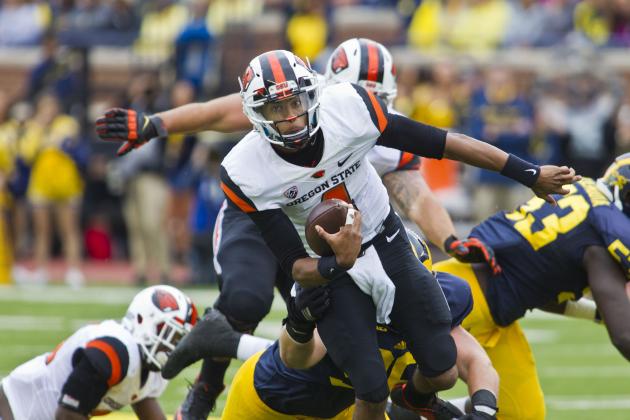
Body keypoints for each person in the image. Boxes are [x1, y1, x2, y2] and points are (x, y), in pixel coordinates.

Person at [99, 49, 576, 419]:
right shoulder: (247, 167)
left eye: (295, 102)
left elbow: (441, 150)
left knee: (439, 363)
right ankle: (212, 374)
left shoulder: (354, 109)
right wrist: (337, 263)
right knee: (338, 363)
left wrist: (526, 175)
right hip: (317, 254)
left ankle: (410, 401)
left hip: (382, 238)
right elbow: (294, 264)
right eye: (275, 107)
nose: (289, 116)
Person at [219, 231, 499, 420]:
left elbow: (475, 362)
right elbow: (296, 359)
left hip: (343, 408)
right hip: (269, 401)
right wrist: (300, 322)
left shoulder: (439, 296)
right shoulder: (342, 297)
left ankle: (413, 400)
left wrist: (484, 413)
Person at [433, 153, 630, 419]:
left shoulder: (583, 201)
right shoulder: (597, 239)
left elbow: (538, 283)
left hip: (494, 313)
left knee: (521, 414)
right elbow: (625, 337)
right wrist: (609, 313)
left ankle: (421, 413)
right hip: (454, 301)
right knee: (377, 384)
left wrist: (597, 313)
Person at [0, 285, 198, 420]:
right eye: (171, 337)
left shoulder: (149, 368)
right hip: (13, 411)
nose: (174, 348)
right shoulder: (116, 350)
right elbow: (67, 414)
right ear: (143, 322)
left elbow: (143, 397)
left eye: (180, 341)